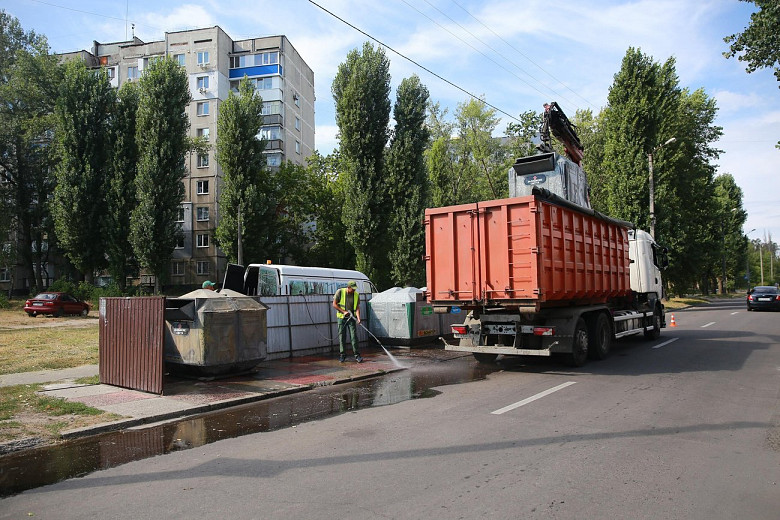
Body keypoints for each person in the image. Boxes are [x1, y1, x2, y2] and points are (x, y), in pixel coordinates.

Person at [332, 280, 363, 363]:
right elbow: (334, 304)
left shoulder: (356, 295)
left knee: (354, 336)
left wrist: (358, 318)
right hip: (341, 318)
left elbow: (357, 308)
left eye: (355, 289)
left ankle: (357, 355)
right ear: (348, 287)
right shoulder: (340, 292)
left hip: (351, 318)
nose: (354, 290)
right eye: (352, 289)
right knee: (342, 337)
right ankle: (342, 355)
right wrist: (343, 311)